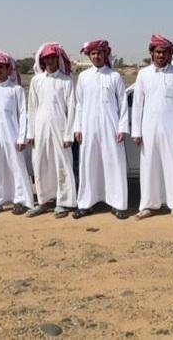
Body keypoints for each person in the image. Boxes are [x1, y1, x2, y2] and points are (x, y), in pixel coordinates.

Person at [131, 34, 173, 220]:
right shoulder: (143, 74)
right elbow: (137, 104)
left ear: (169, 54)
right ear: (152, 53)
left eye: (164, 52)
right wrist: (136, 131)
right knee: (149, 166)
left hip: (172, 128)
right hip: (149, 128)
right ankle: (149, 205)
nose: (161, 55)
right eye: (157, 52)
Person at [73, 40, 129, 219]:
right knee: (89, 163)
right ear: (89, 56)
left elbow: (123, 104)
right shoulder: (83, 77)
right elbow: (79, 104)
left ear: (105, 55)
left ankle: (118, 204)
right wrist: (77, 127)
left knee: (113, 164)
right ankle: (86, 204)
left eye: (99, 53)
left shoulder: (115, 76)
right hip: (88, 128)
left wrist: (122, 128)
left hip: (111, 127)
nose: (96, 56)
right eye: (93, 54)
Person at [26, 42, 77, 218]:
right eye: (47, 58)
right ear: (42, 61)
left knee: (62, 164)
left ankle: (64, 202)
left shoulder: (66, 80)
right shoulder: (36, 81)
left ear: (58, 59)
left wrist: (69, 134)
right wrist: (30, 132)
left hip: (60, 127)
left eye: (53, 58)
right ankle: (43, 201)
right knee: (40, 163)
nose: (50, 61)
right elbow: (32, 108)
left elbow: (72, 109)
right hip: (40, 128)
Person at [0, 52, 35, 216]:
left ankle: (20, 200)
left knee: (16, 167)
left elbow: (23, 114)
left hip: (13, 135)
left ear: (8, 69)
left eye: (1, 67)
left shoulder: (16, 90)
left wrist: (22, 138)